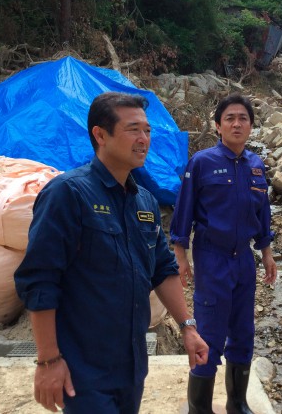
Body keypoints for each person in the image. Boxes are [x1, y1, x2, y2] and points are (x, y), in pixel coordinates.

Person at [14, 91, 208, 413]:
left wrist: (188, 326)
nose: (144, 139)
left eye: (147, 130)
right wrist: (48, 360)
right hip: (84, 369)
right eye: (133, 129)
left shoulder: (144, 201)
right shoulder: (68, 194)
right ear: (100, 135)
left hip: (131, 367)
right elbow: (40, 280)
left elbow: (162, 268)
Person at [170, 93, 278, 414]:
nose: (236, 123)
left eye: (242, 118)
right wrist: (180, 254)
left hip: (244, 260)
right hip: (212, 258)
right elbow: (184, 211)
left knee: (244, 332)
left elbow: (263, 215)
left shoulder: (256, 166)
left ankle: (237, 403)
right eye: (229, 118)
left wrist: (267, 252)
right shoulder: (202, 163)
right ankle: (199, 408)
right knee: (209, 335)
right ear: (217, 126)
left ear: (251, 126)